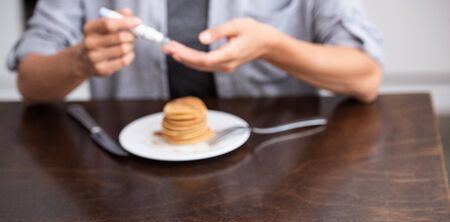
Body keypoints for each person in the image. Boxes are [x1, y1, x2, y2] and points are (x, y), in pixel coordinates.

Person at [7, 0, 383, 103]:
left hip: (276, 170)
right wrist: (79, 62)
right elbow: (30, 82)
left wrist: (273, 46)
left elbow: (365, 77)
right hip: (130, 180)